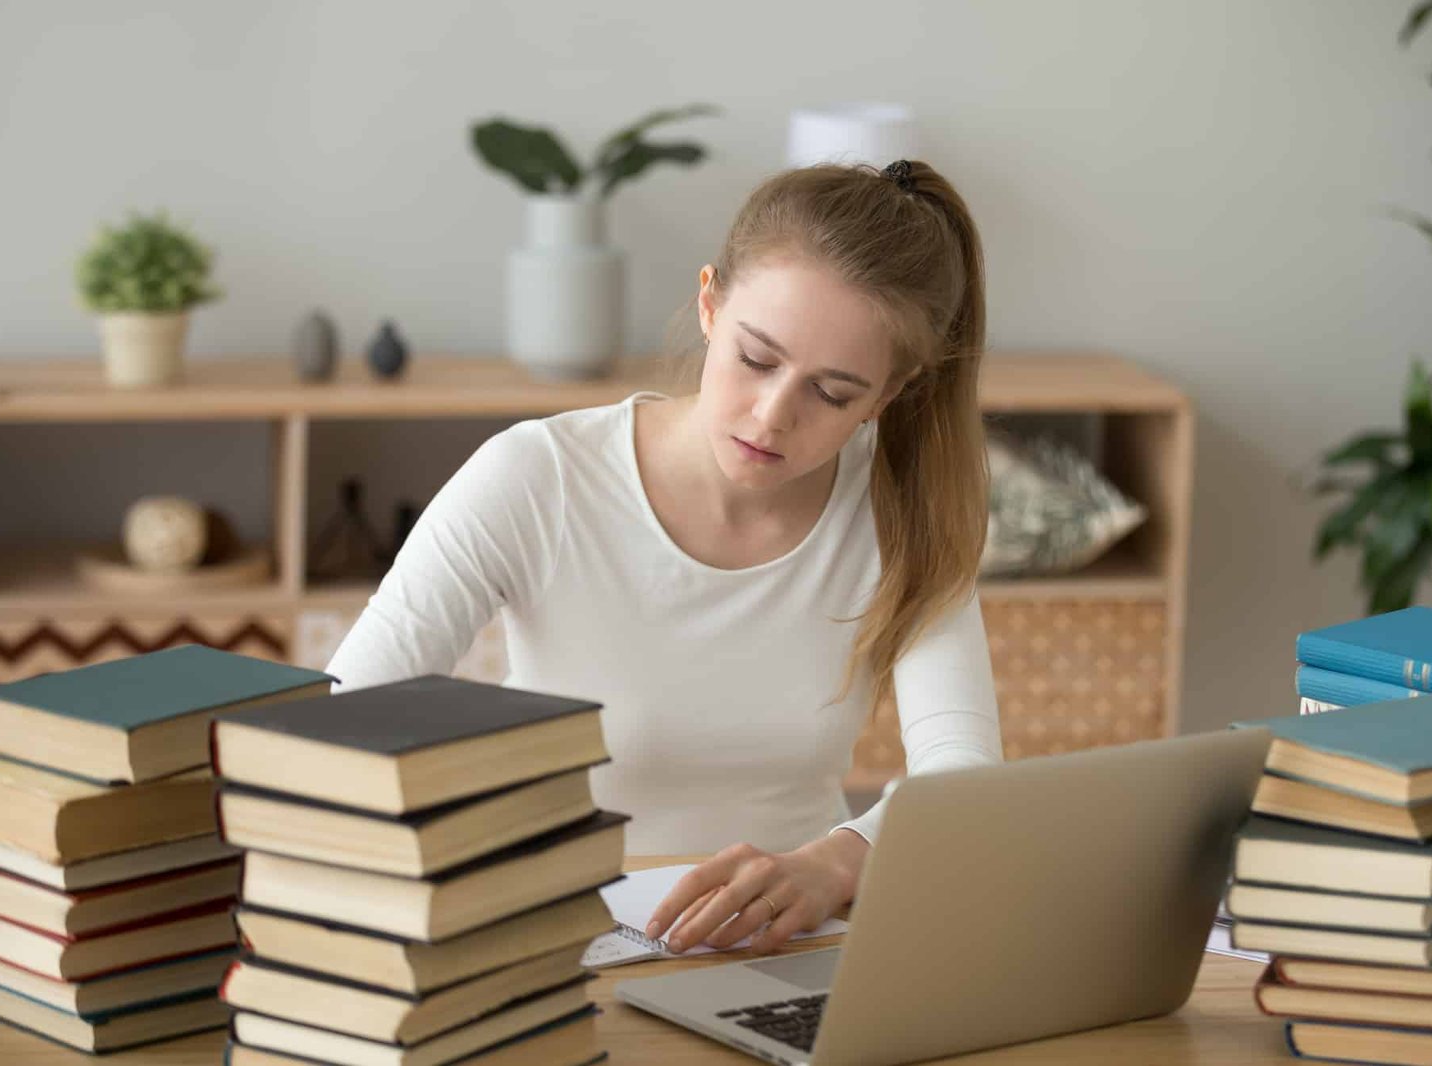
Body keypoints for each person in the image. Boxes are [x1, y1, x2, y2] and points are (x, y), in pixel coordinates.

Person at [325, 159, 1003, 957]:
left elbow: (963, 779)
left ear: (890, 393)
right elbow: (341, 720)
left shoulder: (900, 514)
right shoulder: (539, 477)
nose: (772, 415)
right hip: (557, 943)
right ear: (710, 303)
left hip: (791, 949)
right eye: (757, 359)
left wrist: (839, 860)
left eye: (833, 393)